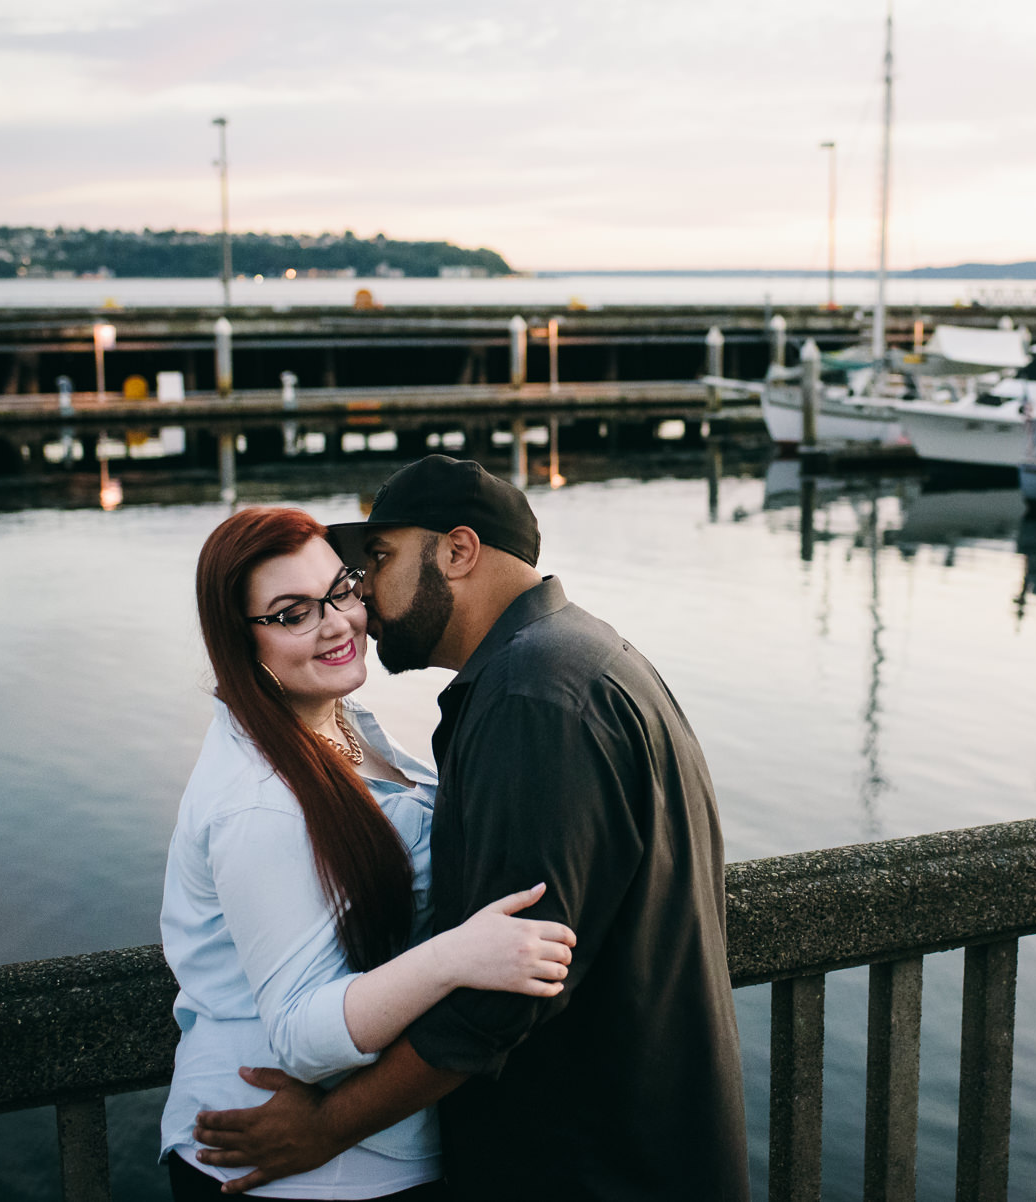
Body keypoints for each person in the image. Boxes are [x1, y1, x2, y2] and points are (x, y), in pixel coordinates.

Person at [193, 457, 748, 1201]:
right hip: (645, 1133)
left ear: (457, 552)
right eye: (297, 610)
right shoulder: (588, 657)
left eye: (375, 562)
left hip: (583, 1160)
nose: (363, 603)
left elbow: (500, 996)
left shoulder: (530, 701)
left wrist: (327, 1126)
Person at [161, 506, 577, 1201]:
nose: (337, 623)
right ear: (240, 641)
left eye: (342, 590)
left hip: (367, 1147)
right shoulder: (259, 804)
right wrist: (456, 955)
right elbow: (297, 1032)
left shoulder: (328, 722)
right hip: (298, 1171)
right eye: (292, 613)